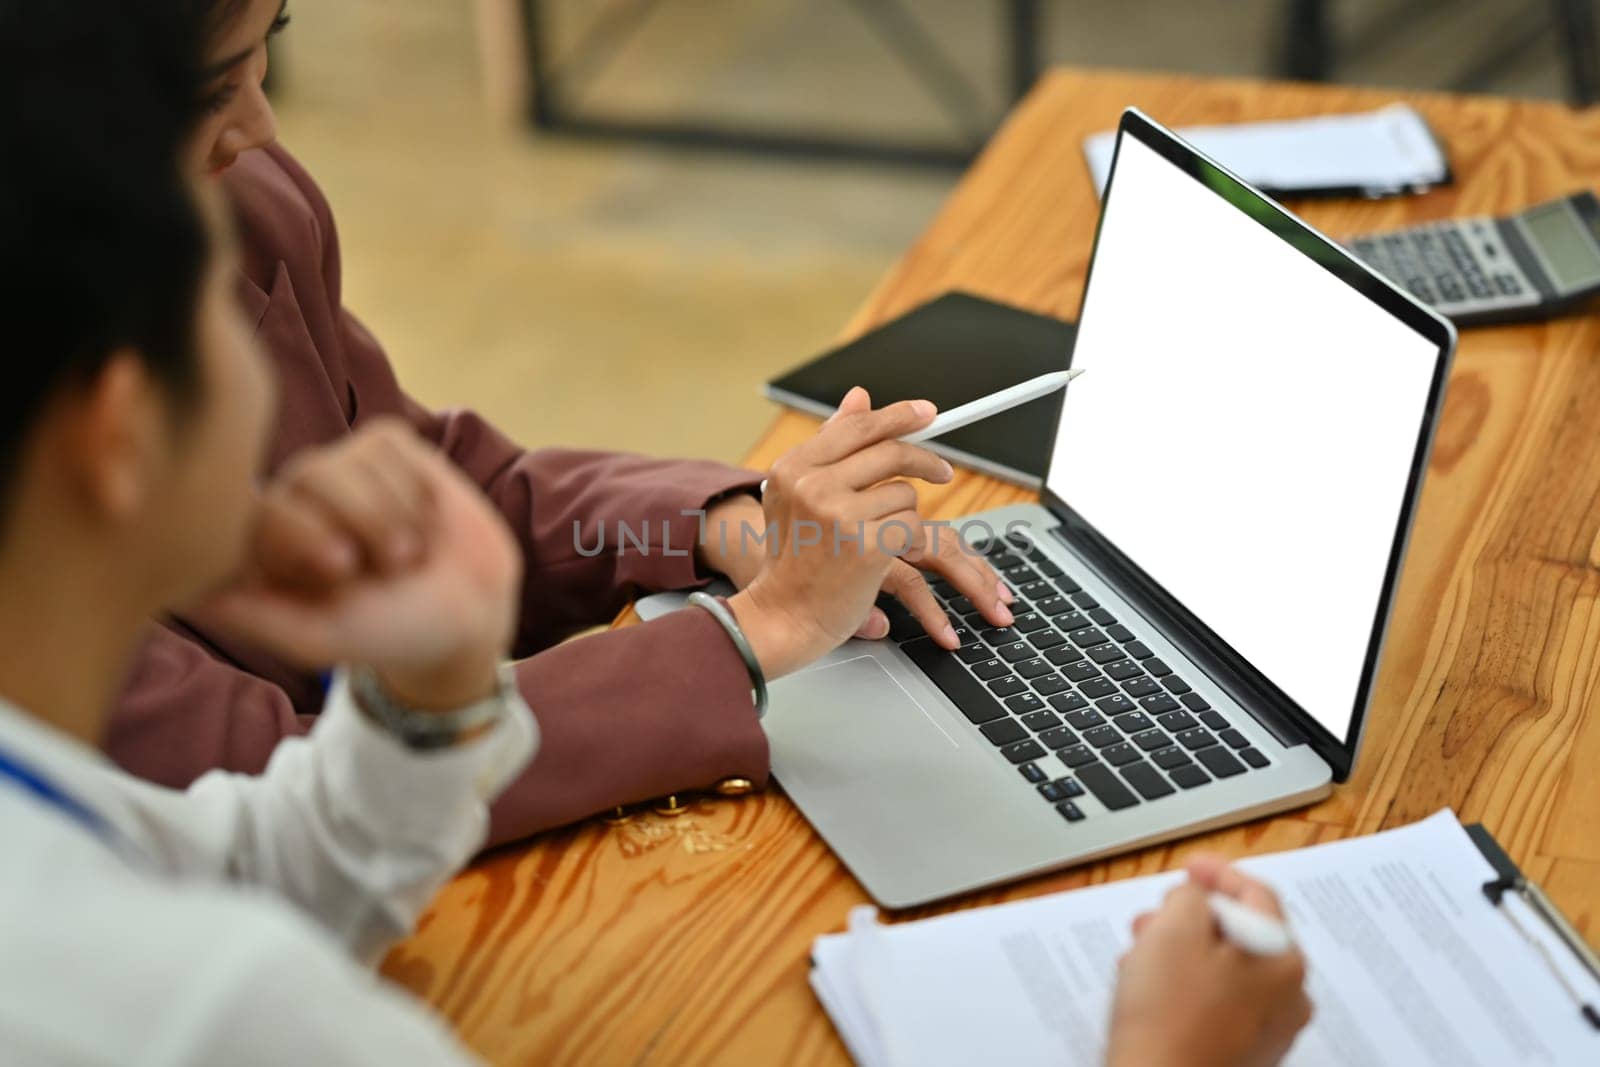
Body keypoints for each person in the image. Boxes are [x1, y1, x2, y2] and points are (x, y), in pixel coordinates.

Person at [108, 0, 1018, 842]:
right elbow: (294, 791)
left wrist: (723, 526)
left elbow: (449, 494)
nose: (264, 127)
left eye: (276, 35)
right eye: (214, 86)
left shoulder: (248, 202)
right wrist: (757, 634)